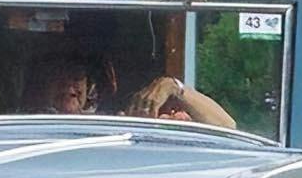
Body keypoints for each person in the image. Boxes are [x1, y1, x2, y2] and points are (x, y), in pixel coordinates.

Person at [22, 51, 234, 128]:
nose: (68, 85)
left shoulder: (119, 121)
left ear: (90, 87)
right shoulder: (23, 124)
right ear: (42, 82)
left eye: (77, 76)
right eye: (58, 76)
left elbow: (227, 126)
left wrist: (173, 86)